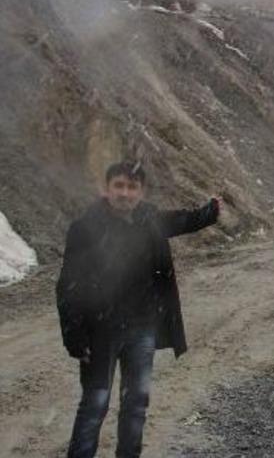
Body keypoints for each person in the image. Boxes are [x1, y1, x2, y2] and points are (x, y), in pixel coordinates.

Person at [56, 161, 220, 458]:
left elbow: (183, 221)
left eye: (132, 187)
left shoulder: (150, 220)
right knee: (95, 404)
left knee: (136, 405)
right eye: (118, 185)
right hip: (99, 332)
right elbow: (68, 284)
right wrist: (73, 335)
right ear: (105, 189)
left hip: (142, 330)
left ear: (141, 192)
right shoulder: (85, 228)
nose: (125, 193)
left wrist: (211, 212)